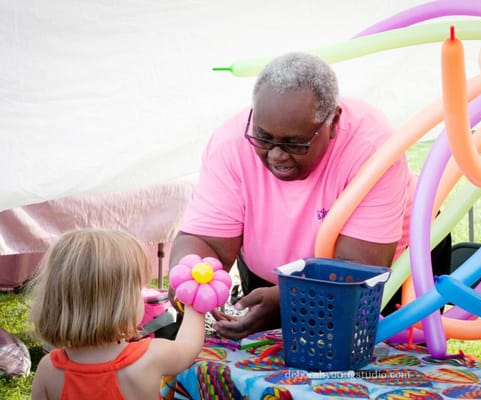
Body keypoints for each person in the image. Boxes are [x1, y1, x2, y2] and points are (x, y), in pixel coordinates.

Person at [168, 51, 450, 340]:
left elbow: (359, 272)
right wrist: (190, 274)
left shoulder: (373, 148)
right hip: (283, 282)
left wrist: (288, 302)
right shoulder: (230, 144)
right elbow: (205, 241)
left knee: (374, 363)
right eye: (263, 138)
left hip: (393, 272)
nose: (276, 155)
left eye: (295, 143)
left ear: (334, 123)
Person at [30, 229, 206, 400]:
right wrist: (196, 301)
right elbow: (188, 345)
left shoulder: (48, 369)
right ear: (121, 304)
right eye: (139, 289)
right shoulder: (148, 357)